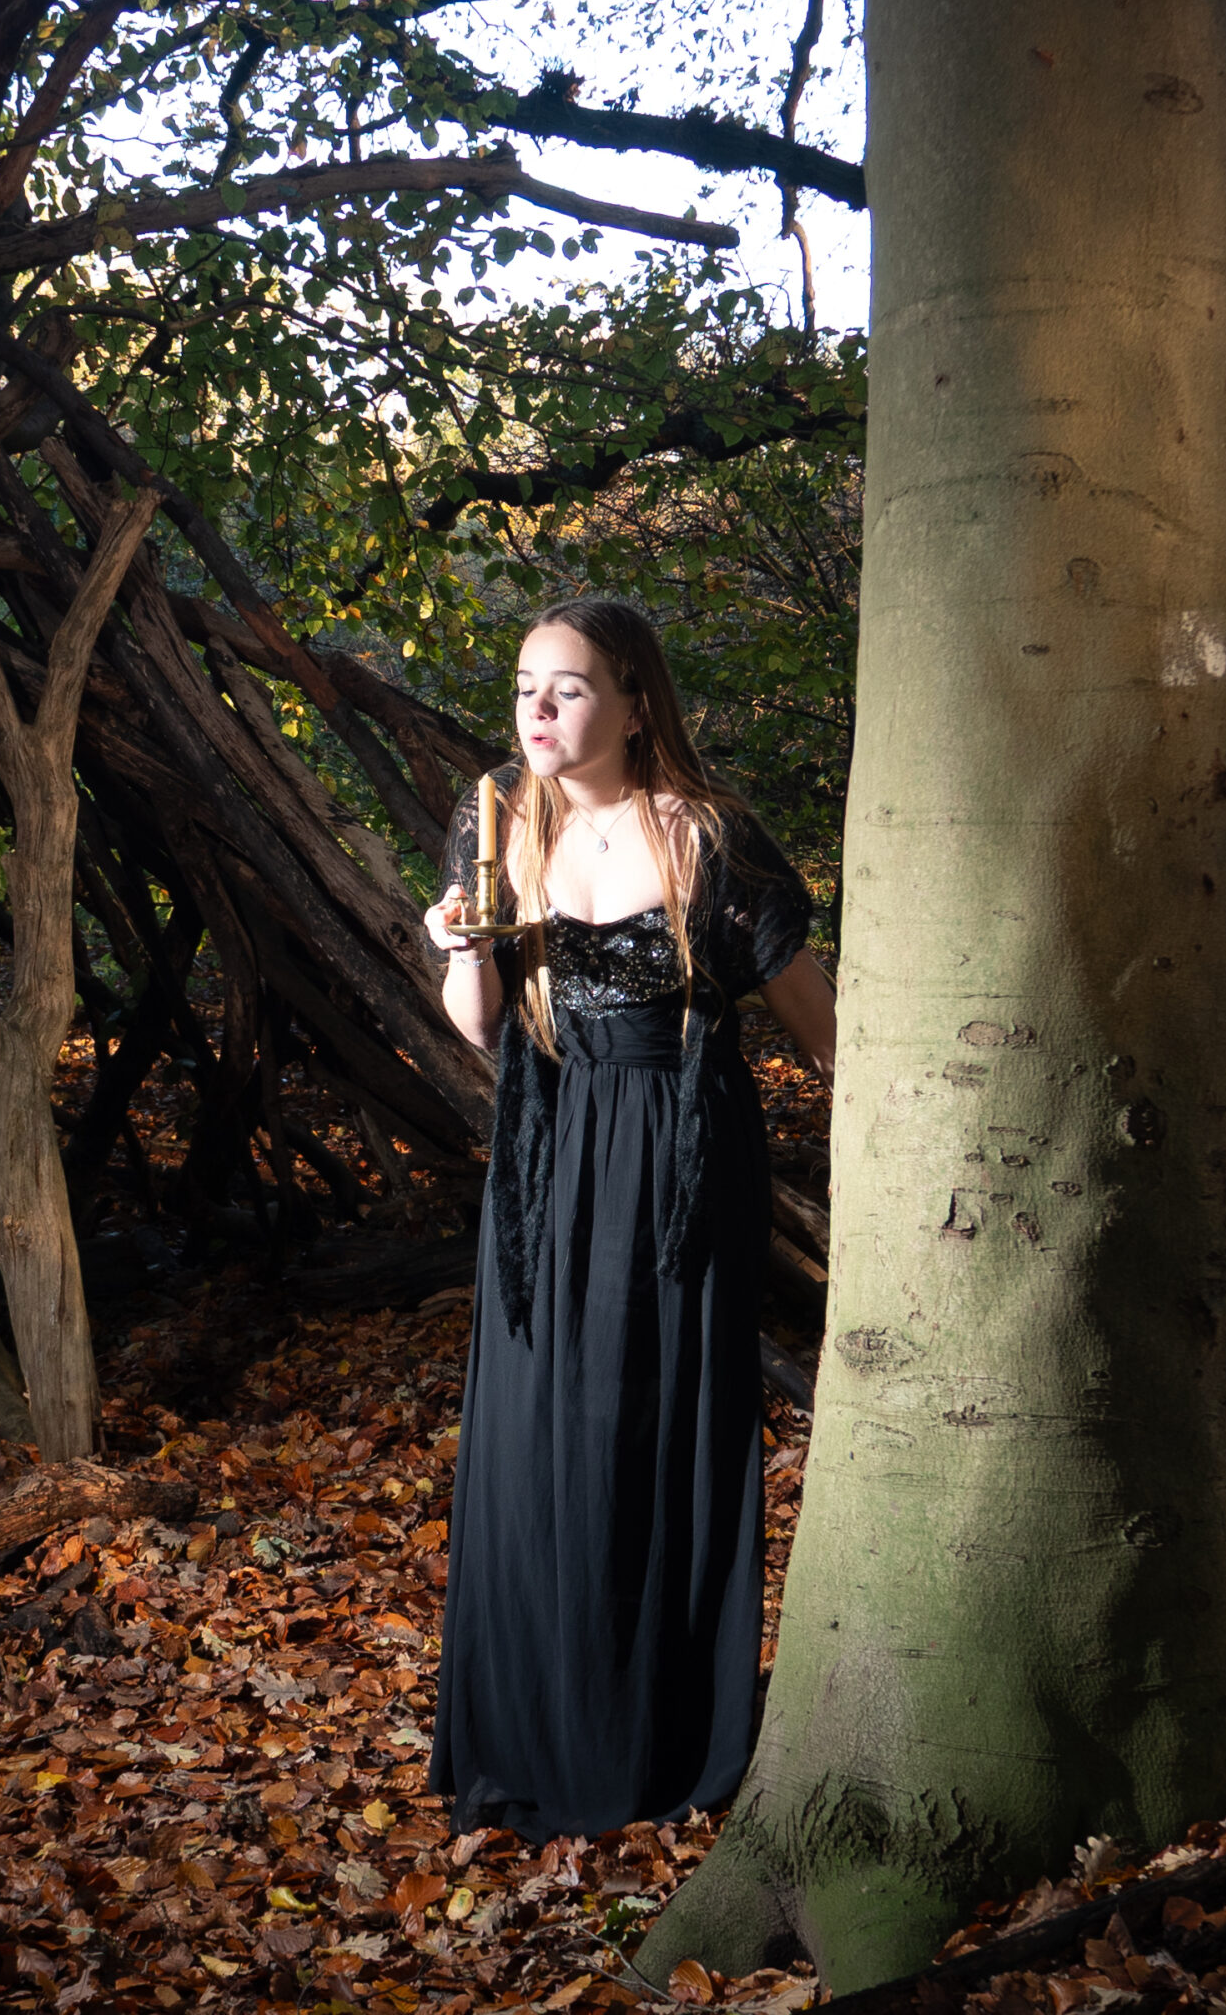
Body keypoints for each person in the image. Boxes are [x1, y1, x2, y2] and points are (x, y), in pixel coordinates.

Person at [424, 598, 837, 1841]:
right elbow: (483, 1025)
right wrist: (458, 942)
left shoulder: (710, 837)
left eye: (566, 687)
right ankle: (534, 1733)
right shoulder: (495, 820)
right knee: (532, 1433)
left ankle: (655, 1738)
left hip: (675, 1160)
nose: (536, 711)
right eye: (522, 688)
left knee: (649, 1429)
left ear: (632, 700)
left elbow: (823, 1033)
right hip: (545, 1159)